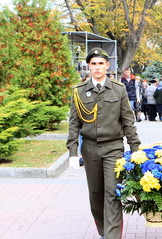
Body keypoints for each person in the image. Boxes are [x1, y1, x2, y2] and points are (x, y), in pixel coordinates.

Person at [66, 48, 141, 239]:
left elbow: (128, 122)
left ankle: (112, 235)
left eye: (101, 64)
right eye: (93, 64)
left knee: (112, 192)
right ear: (88, 66)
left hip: (113, 148)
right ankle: (103, 231)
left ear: (108, 66)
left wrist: (136, 150)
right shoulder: (79, 91)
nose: (97, 68)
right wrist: (73, 152)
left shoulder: (118, 89)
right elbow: (74, 124)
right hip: (90, 149)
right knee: (96, 194)